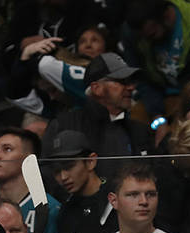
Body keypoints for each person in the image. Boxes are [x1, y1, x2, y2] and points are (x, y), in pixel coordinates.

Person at [42, 52, 156, 181]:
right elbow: (48, 174)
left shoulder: (141, 131)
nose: (131, 87)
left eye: (130, 81)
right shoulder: (64, 125)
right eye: (121, 81)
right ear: (96, 88)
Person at [47, 131, 117, 233]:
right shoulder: (64, 212)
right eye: (57, 171)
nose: (63, 177)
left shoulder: (116, 199)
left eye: (69, 166)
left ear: (91, 161)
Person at [123, 0, 190, 118]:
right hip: (159, 96)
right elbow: (139, 77)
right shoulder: (134, 32)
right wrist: (157, 115)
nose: (148, 41)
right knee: (133, 119)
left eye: (152, 34)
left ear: (167, 16)